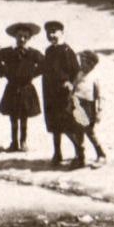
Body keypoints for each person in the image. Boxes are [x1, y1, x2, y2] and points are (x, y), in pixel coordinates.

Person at [0, 22, 44, 152]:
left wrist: (32, 73)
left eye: (25, 37)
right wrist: (4, 72)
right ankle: (14, 142)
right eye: (19, 36)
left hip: (26, 88)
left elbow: (44, 64)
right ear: (15, 36)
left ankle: (23, 141)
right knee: (13, 116)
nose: (22, 39)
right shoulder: (8, 52)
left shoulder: (33, 53)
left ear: (29, 38)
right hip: (12, 87)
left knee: (24, 116)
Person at [41, 19, 84, 167]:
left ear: (62, 33)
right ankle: (57, 153)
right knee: (54, 124)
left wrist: (70, 84)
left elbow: (76, 72)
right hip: (50, 92)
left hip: (64, 94)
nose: (51, 35)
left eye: (54, 32)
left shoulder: (67, 51)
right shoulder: (48, 51)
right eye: (48, 32)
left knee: (67, 124)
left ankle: (79, 152)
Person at [72, 51, 106, 162]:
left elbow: (100, 96)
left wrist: (99, 111)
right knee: (77, 131)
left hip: (88, 107)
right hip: (77, 105)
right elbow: (74, 86)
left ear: (91, 64)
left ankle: (101, 154)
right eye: (81, 61)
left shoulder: (95, 77)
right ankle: (80, 156)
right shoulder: (79, 73)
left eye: (84, 62)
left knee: (89, 132)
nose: (81, 64)